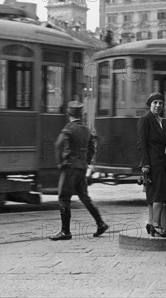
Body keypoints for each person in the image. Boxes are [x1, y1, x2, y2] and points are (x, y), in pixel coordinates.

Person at [49, 101, 109, 241]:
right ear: (81, 115)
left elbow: (58, 145)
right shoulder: (86, 129)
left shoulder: (69, 129)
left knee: (64, 198)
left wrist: (60, 163)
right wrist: (86, 162)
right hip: (81, 167)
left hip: (69, 168)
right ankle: (101, 223)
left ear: (68, 114)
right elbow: (92, 148)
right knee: (84, 197)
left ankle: (65, 232)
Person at [137, 92, 166, 238]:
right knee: (158, 196)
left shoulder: (162, 121)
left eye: (160, 103)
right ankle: (157, 225)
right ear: (150, 105)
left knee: (153, 194)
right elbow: (142, 143)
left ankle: (151, 222)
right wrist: (145, 164)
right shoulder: (146, 119)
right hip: (154, 163)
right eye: (155, 103)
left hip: (162, 162)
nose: (158, 106)